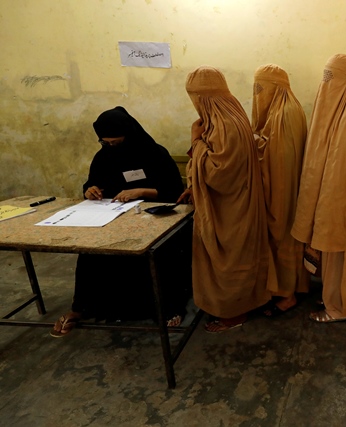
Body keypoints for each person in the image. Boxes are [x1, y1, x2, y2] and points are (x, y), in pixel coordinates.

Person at [50, 106, 187, 337]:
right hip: (112, 214)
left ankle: (168, 306)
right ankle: (81, 307)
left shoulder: (155, 153)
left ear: (130, 135)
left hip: (153, 216)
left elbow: (174, 191)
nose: (111, 147)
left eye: (116, 142)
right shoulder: (104, 156)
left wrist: (140, 191)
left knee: (157, 248)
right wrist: (90, 190)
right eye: (106, 143)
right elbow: (93, 182)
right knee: (90, 250)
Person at [291, 54, 346, 322]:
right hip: (335, 198)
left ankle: (339, 307)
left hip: (342, 203)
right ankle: (334, 295)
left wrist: (325, 209)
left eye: (331, 78)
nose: (325, 84)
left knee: (341, 250)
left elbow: (339, 175)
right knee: (335, 253)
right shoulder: (341, 111)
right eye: (324, 77)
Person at [184, 66, 271, 332]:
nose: (195, 104)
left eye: (195, 98)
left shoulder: (226, 125)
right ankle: (242, 303)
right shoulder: (230, 117)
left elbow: (219, 174)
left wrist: (196, 141)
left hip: (231, 211)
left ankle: (234, 313)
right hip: (235, 204)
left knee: (230, 260)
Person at [251, 64, 309, 316]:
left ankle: (287, 294)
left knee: (282, 234)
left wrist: (251, 143)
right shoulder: (283, 109)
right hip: (283, 188)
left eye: (260, 88)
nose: (256, 94)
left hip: (282, 191)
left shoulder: (285, 114)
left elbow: (278, 160)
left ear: (275, 88)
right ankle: (285, 288)